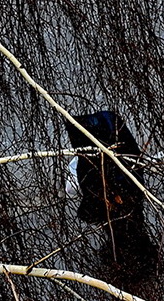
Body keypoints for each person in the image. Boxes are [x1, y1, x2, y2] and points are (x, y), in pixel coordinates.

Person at [65, 110, 156, 277]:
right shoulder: (111, 131)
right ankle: (132, 256)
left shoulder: (91, 161)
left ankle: (129, 258)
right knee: (127, 225)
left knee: (122, 227)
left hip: (119, 193)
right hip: (122, 190)